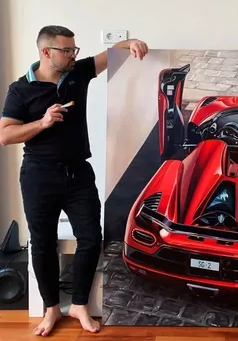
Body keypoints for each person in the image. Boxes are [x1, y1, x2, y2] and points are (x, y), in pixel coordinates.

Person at [0, 25, 148, 336]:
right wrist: (42, 122)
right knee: (42, 243)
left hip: (78, 173)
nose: (72, 55)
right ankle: (51, 309)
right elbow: (6, 135)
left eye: (73, 49)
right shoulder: (20, 89)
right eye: (66, 50)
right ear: (46, 52)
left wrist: (131, 42)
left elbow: (111, 54)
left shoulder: (78, 72)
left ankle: (80, 305)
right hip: (38, 175)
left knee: (91, 237)